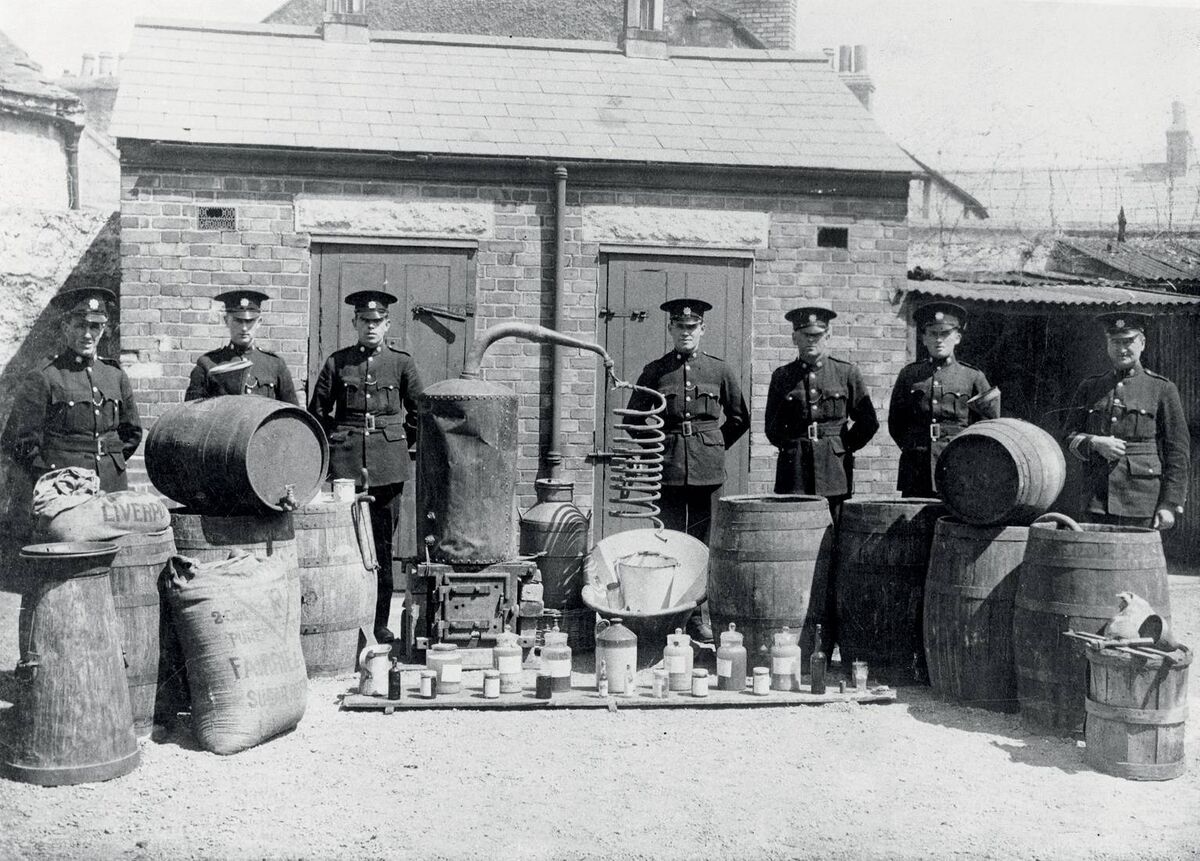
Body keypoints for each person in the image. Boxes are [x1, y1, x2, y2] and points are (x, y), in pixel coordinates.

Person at [308, 290, 423, 643]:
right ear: (355, 323)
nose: (371, 327)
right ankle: (346, 621)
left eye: (377, 322)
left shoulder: (401, 364)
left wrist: (398, 440)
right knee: (345, 546)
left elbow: (419, 412)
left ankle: (379, 624)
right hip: (346, 465)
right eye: (364, 321)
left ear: (386, 324)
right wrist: (336, 442)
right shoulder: (337, 363)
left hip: (388, 467)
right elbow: (317, 412)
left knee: (382, 548)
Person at [1, 286, 143, 502]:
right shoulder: (46, 376)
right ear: (66, 327)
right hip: (65, 488)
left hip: (112, 484)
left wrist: (110, 463)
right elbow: (18, 441)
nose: (87, 335)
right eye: (80, 326)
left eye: (94, 327)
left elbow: (132, 432)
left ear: (103, 330)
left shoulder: (115, 375)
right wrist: (51, 477)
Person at [626, 298, 749, 544]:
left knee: (706, 536)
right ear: (670, 328)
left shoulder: (719, 370)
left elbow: (740, 418)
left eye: (692, 327)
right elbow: (633, 419)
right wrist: (658, 446)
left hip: (707, 470)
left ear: (702, 329)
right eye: (680, 326)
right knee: (667, 535)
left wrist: (713, 444)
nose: (686, 333)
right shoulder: (655, 371)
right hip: (667, 467)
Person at [1060, 311, 1188, 530]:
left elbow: (1178, 450)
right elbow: (1067, 437)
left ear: (1142, 343)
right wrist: (1094, 443)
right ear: (1107, 345)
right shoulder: (1090, 387)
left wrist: (1169, 503)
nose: (1122, 349)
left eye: (1128, 342)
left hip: (1142, 502)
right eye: (1115, 342)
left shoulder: (1162, 388)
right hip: (1096, 501)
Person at [764, 301, 879, 511]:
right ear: (794, 337)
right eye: (804, 334)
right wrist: (792, 446)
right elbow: (772, 428)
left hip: (834, 469)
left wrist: (842, 446)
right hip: (794, 469)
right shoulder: (782, 377)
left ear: (827, 335)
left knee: (833, 528)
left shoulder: (846, 373)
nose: (810, 340)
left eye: (816, 335)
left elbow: (868, 422)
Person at [888, 301, 999, 497]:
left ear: (957, 337)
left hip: (958, 467)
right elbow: (896, 424)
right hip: (916, 468)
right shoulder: (909, 375)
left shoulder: (973, 377)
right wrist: (916, 448)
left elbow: (990, 427)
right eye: (933, 334)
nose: (939, 340)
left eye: (945, 334)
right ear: (923, 338)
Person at [185, 289, 298, 403]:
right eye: (238, 321)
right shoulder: (208, 365)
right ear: (226, 321)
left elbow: (291, 416)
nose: (244, 328)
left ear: (259, 322)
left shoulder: (275, 365)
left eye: (249, 321)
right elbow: (192, 414)